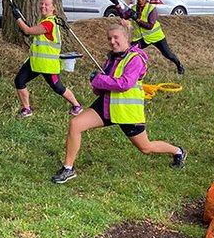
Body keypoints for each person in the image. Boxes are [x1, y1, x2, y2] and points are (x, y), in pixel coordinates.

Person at [51, 22, 187, 184]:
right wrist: (96, 84)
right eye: (109, 38)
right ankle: (68, 168)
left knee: (145, 147)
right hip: (106, 105)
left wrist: (99, 80)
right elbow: (104, 84)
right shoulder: (112, 58)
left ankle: (178, 151)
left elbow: (124, 83)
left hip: (126, 111)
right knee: (75, 124)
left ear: (127, 38)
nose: (112, 41)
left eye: (116, 37)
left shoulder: (135, 59)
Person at [12, 0, 82, 118]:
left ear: (53, 8)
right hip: (36, 62)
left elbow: (28, 31)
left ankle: (77, 106)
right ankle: (26, 109)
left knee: (58, 88)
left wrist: (17, 17)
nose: (43, 6)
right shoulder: (45, 22)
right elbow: (33, 33)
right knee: (19, 81)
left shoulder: (49, 23)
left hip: (47, 65)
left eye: (46, 4)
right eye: (41, 4)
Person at [111, 0, 185, 75]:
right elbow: (124, 15)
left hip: (156, 37)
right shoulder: (134, 8)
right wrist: (117, 4)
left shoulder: (151, 9)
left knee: (168, 54)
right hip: (142, 38)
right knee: (128, 51)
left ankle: (179, 65)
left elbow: (150, 26)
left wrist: (136, 19)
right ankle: (124, 70)